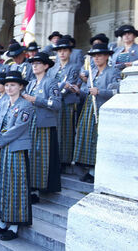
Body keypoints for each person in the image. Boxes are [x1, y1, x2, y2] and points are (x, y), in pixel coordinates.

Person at [0, 71, 34, 241]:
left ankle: (13, 226)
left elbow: (18, 128)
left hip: (15, 150)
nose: (9, 88)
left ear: (21, 86)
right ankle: (1, 222)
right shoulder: (3, 102)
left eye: (13, 85)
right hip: (0, 148)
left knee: (14, 186)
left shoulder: (26, 105)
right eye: (6, 85)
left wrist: (0, 141)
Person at [73, 43, 120, 183]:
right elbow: (87, 93)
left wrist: (100, 92)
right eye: (94, 56)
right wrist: (77, 91)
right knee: (86, 137)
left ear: (106, 56)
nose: (96, 58)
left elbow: (116, 92)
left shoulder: (114, 72)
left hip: (102, 109)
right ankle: (87, 169)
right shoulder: (92, 72)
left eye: (100, 55)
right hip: (88, 109)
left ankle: (96, 171)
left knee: (98, 139)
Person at [23, 52, 62, 202]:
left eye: (38, 63)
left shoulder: (51, 82)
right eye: (33, 63)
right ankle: (31, 188)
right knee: (31, 155)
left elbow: (57, 104)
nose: (34, 66)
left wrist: (36, 100)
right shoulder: (31, 83)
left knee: (42, 157)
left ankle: (39, 189)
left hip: (44, 125)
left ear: (46, 66)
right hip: (30, 124)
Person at [48, 37, 81, 168]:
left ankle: (65, 160)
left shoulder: (74, 68)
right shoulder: (52, 69)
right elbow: (51, 85)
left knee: (66, 130)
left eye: (65, 50)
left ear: (70, 52)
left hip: (67, 103)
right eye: (59, 51)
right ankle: (55, 158)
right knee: (55, 130)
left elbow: (70, 86)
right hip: (55, 103)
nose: (62, 53)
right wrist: (60, 86)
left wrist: (59, 88)